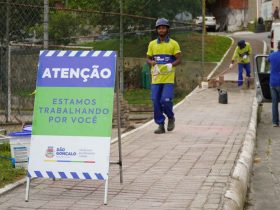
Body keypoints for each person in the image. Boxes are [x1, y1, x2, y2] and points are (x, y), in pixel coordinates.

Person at [146, 18, 182, 134]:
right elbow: (148, 58)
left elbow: (179, 59)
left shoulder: (173, 44)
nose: (161, 30)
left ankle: (171, 117)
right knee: (155, 101)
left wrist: (171, 65)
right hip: (156, 78)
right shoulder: (152, 44)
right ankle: (160, 124)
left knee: (165, 100)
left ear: (167, 29)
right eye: (159, 28)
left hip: (168, 78)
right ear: (157, 30)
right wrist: (151, 63)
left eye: (163, 28)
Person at [268, 41, 280, 127]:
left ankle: (275, 122)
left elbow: (267, 60)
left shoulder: (272, 55)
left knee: (274, 103)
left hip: (272, 82)